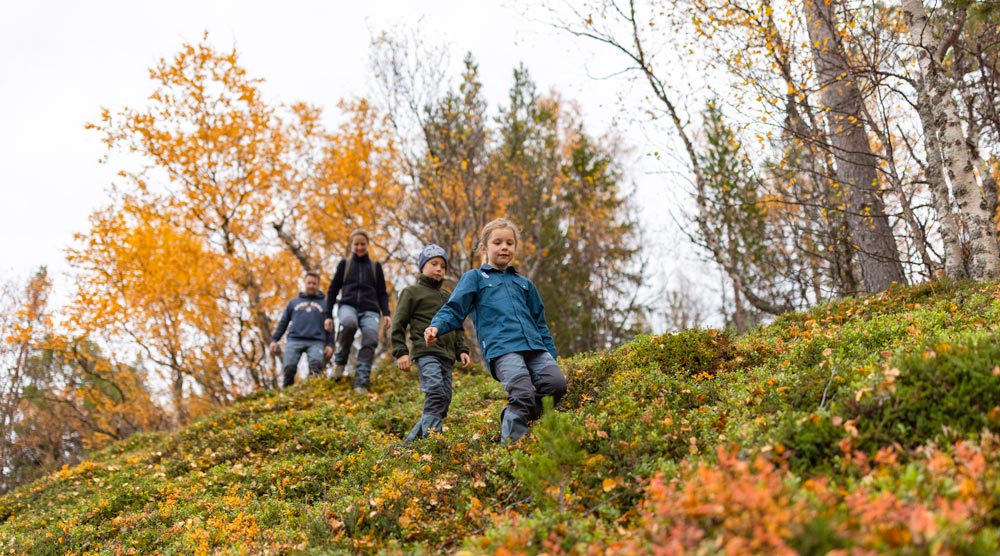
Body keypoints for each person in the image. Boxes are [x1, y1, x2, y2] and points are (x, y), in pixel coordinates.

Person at [425, 218, 566, 444]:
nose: (504, 247)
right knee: (522, 394)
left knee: (556, 384)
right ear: (484, 247)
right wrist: (436, 326)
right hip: (503, 349)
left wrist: (551, 355)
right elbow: (454, 308)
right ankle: (513, 450)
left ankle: (514, 418)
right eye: (498, 242)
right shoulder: (476, 278)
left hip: (535, 347)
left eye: (509, 243)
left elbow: (540, 323)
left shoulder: (524, 283)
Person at [391, 244, 472, 444]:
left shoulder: (447, 296)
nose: (439, 269)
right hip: (425, 352)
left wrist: (461, 349)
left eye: (442, 266)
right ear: (422, 267)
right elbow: (398, 323)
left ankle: (409, 444)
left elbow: (457, 325)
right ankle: (432, 443)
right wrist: (401, 352)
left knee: (444, 399)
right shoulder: (411, 292)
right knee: (435, 391)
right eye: (434, 264)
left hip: (447, 355)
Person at [324, 229, 392, 395]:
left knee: (370, 338)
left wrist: (386, 313)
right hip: (348, 306)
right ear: (351, 245)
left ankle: (361, 381)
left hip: (370, 309)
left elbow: (382, 292)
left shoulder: (375, 267)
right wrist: (327, 315)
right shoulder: (344, 265)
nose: (360, 247)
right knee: (348, 324)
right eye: (356, 244)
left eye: (363, 244)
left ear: (367, 245)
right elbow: (332, 290)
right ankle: (340, 363)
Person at [269, 270, 334, 388]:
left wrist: (330, 344)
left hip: (316, 341)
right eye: (309, 283)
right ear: (304, 283)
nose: (311, 286)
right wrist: (274, 340)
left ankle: (313, 397)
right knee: (289, 370)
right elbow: (283, 322)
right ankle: (286, 397)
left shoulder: (325, 305)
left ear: (318, 285)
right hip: (294, 340)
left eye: (314, 283)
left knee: (316, 370)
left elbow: (329, 327)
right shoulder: (293, 303)